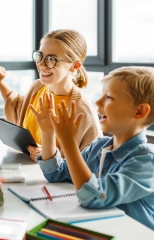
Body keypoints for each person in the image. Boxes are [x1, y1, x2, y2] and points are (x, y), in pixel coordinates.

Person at [32, 66, 154, 230]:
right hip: (98, 228)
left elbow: (95, 196)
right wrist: (48, 134)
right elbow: (55, 173)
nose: (98, 102)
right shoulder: (98, 147)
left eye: (109, 97)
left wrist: (68, 142)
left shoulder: (146, 161)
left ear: (140, 111)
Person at [0, 29, 102, 161]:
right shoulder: (37, 87)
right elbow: (18, 106)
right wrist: (0, 83)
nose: (41, 64)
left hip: (53, 181)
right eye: (40, 56)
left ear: (75, 66)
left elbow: (93, 162)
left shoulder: (82, 111)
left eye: (52, 59)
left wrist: (49, 156)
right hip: (26, 172)